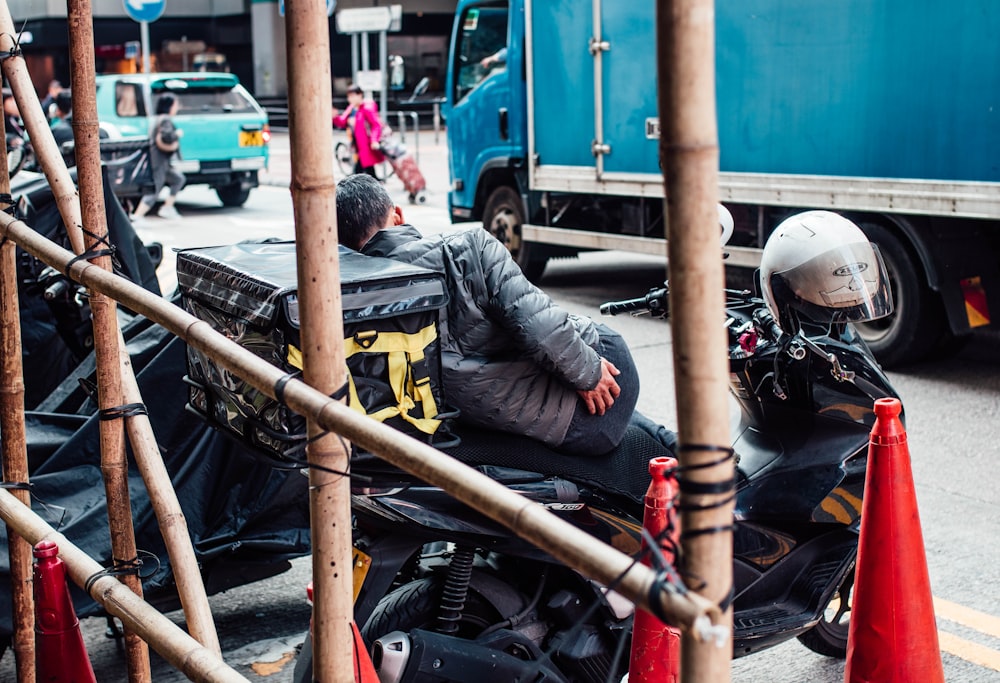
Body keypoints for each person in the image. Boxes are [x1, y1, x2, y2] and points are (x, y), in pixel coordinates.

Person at [335, 173, 641, 456]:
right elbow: (541, 324)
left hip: (535, 410)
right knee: (643, 431)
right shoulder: (466, 250)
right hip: (600, 388)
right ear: (398, 216)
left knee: (643, 429)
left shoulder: (348, 299)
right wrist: (589, 372)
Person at [131, 94, 185, 222]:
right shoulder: (165, 119)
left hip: (162, 161)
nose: (177, 108)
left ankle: (167, 207)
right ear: (169, 106)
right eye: (175, 105)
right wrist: (177, 134)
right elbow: (167, 136)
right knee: (155, 188)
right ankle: (137, 216)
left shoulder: (159, 118)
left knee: (178, 179)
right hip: (159, 161)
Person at [331, 84, 386, 178]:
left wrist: (374, 140)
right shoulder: (352, 108)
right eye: (349, 96)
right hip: (358, 146)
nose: (350, 99)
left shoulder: (367, 108)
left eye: (352, 96)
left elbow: (376, 125)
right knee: (367, 174)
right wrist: (335, 117)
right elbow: (342, 122)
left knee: (360, 174)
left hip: (366, 146)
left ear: (360, 95)